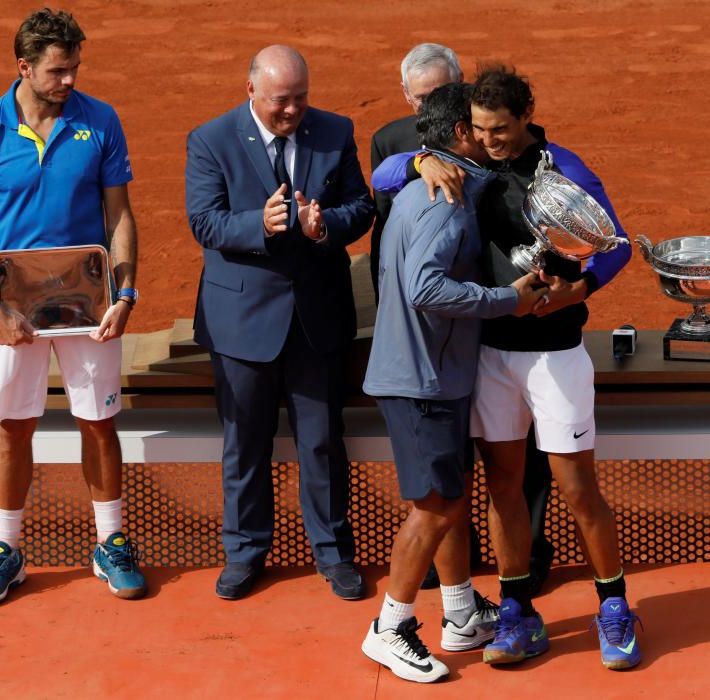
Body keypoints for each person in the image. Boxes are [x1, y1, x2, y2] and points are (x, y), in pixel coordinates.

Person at [371, 65, 641, 669]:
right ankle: (516, 608)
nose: (489, 142)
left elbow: (615, 244)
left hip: (555, 353)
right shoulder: (462, 161)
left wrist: (579, 290)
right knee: (502, 486)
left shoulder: (564, 167)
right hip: (489, 354)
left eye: (500, 130)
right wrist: (419, 163)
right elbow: (382, 173)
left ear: (525, 118)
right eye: (480, 130)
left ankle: (614, 606)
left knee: (577, 489)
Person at [0, 9, 145, 606]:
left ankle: (110, 542)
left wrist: (125, 291)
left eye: (75, 69)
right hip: (13, 308)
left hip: (88, 300)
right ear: (24, 68)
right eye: (57, 71)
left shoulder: (100, 121)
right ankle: (6, 549)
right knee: (14, 424)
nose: (69, 81)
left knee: (98, 419)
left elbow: (120, 216)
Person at [360, 83, 546, 683]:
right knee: (435, 508)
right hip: (422, 381)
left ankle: (461, 613)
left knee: (449, 499)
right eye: (479, 127)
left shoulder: (426, 186)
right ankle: (389, 627)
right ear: (461, 134)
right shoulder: (446, 201)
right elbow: (426, 288)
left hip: (427, 375)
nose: (491, 135)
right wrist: (507, 300)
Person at [185, 45, 375, 602]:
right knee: (244, 443)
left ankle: (334, 553)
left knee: (321, 442)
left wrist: (324, 227)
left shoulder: (335, 131)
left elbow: (359, 208)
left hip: (316, 318)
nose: (292, 111)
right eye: (279, 101)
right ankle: (244, 553)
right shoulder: (211, 139)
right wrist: (257, 224)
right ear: (251, 92)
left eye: (300, 98)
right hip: (241, 322)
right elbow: (204, 221)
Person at [369, 43, 463, 302]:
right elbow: (385, 224)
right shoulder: (388, 140)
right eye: (422, 98)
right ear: (406, 94)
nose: (433, 107)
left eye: (441, 93)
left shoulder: (486, 134)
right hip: (415, 286)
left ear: (461, 82)